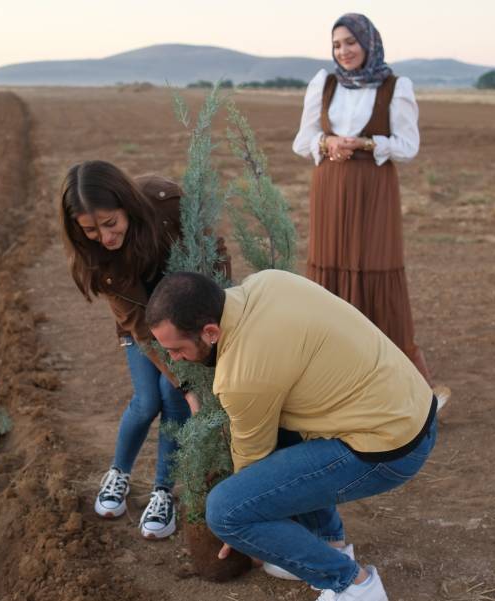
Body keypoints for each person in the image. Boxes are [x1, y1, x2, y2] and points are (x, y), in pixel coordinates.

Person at [146, 270, 437, 600]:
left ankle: (354, 586)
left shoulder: (242, 375)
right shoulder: (268, 282)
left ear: (210, 332)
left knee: (225, 511)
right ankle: (328, 545)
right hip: (413, 408)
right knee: (278, 430)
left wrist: (240, 525)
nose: (174, 359)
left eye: (177, 349)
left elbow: (251, 461)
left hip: (390, 448)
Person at [59, 160, 229, 539]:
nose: (103, 237)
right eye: (89, 230)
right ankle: (118, 473)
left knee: (171, 400)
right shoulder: (96, 259)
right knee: (147, 399)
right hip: (142, 328)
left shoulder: (166, 203)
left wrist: (210, 314)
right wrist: (188, 386)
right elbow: (141, 329)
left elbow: (214, 250)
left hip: (186, 318)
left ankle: (162, 491)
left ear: (127, 207)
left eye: (110, 224)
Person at [292, 13, 449, 411]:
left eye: (350, 42)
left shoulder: (396, 86)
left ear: (369, 42)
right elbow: (302, 141)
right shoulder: (323, 84)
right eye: (336, 44)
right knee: (330, 269)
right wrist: (327, 142)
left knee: (376, 267)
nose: (343, 51)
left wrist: (362, 144)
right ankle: (334, 384)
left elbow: (408, 146)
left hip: (373, 189)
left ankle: (410, 390)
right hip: (330, 186)